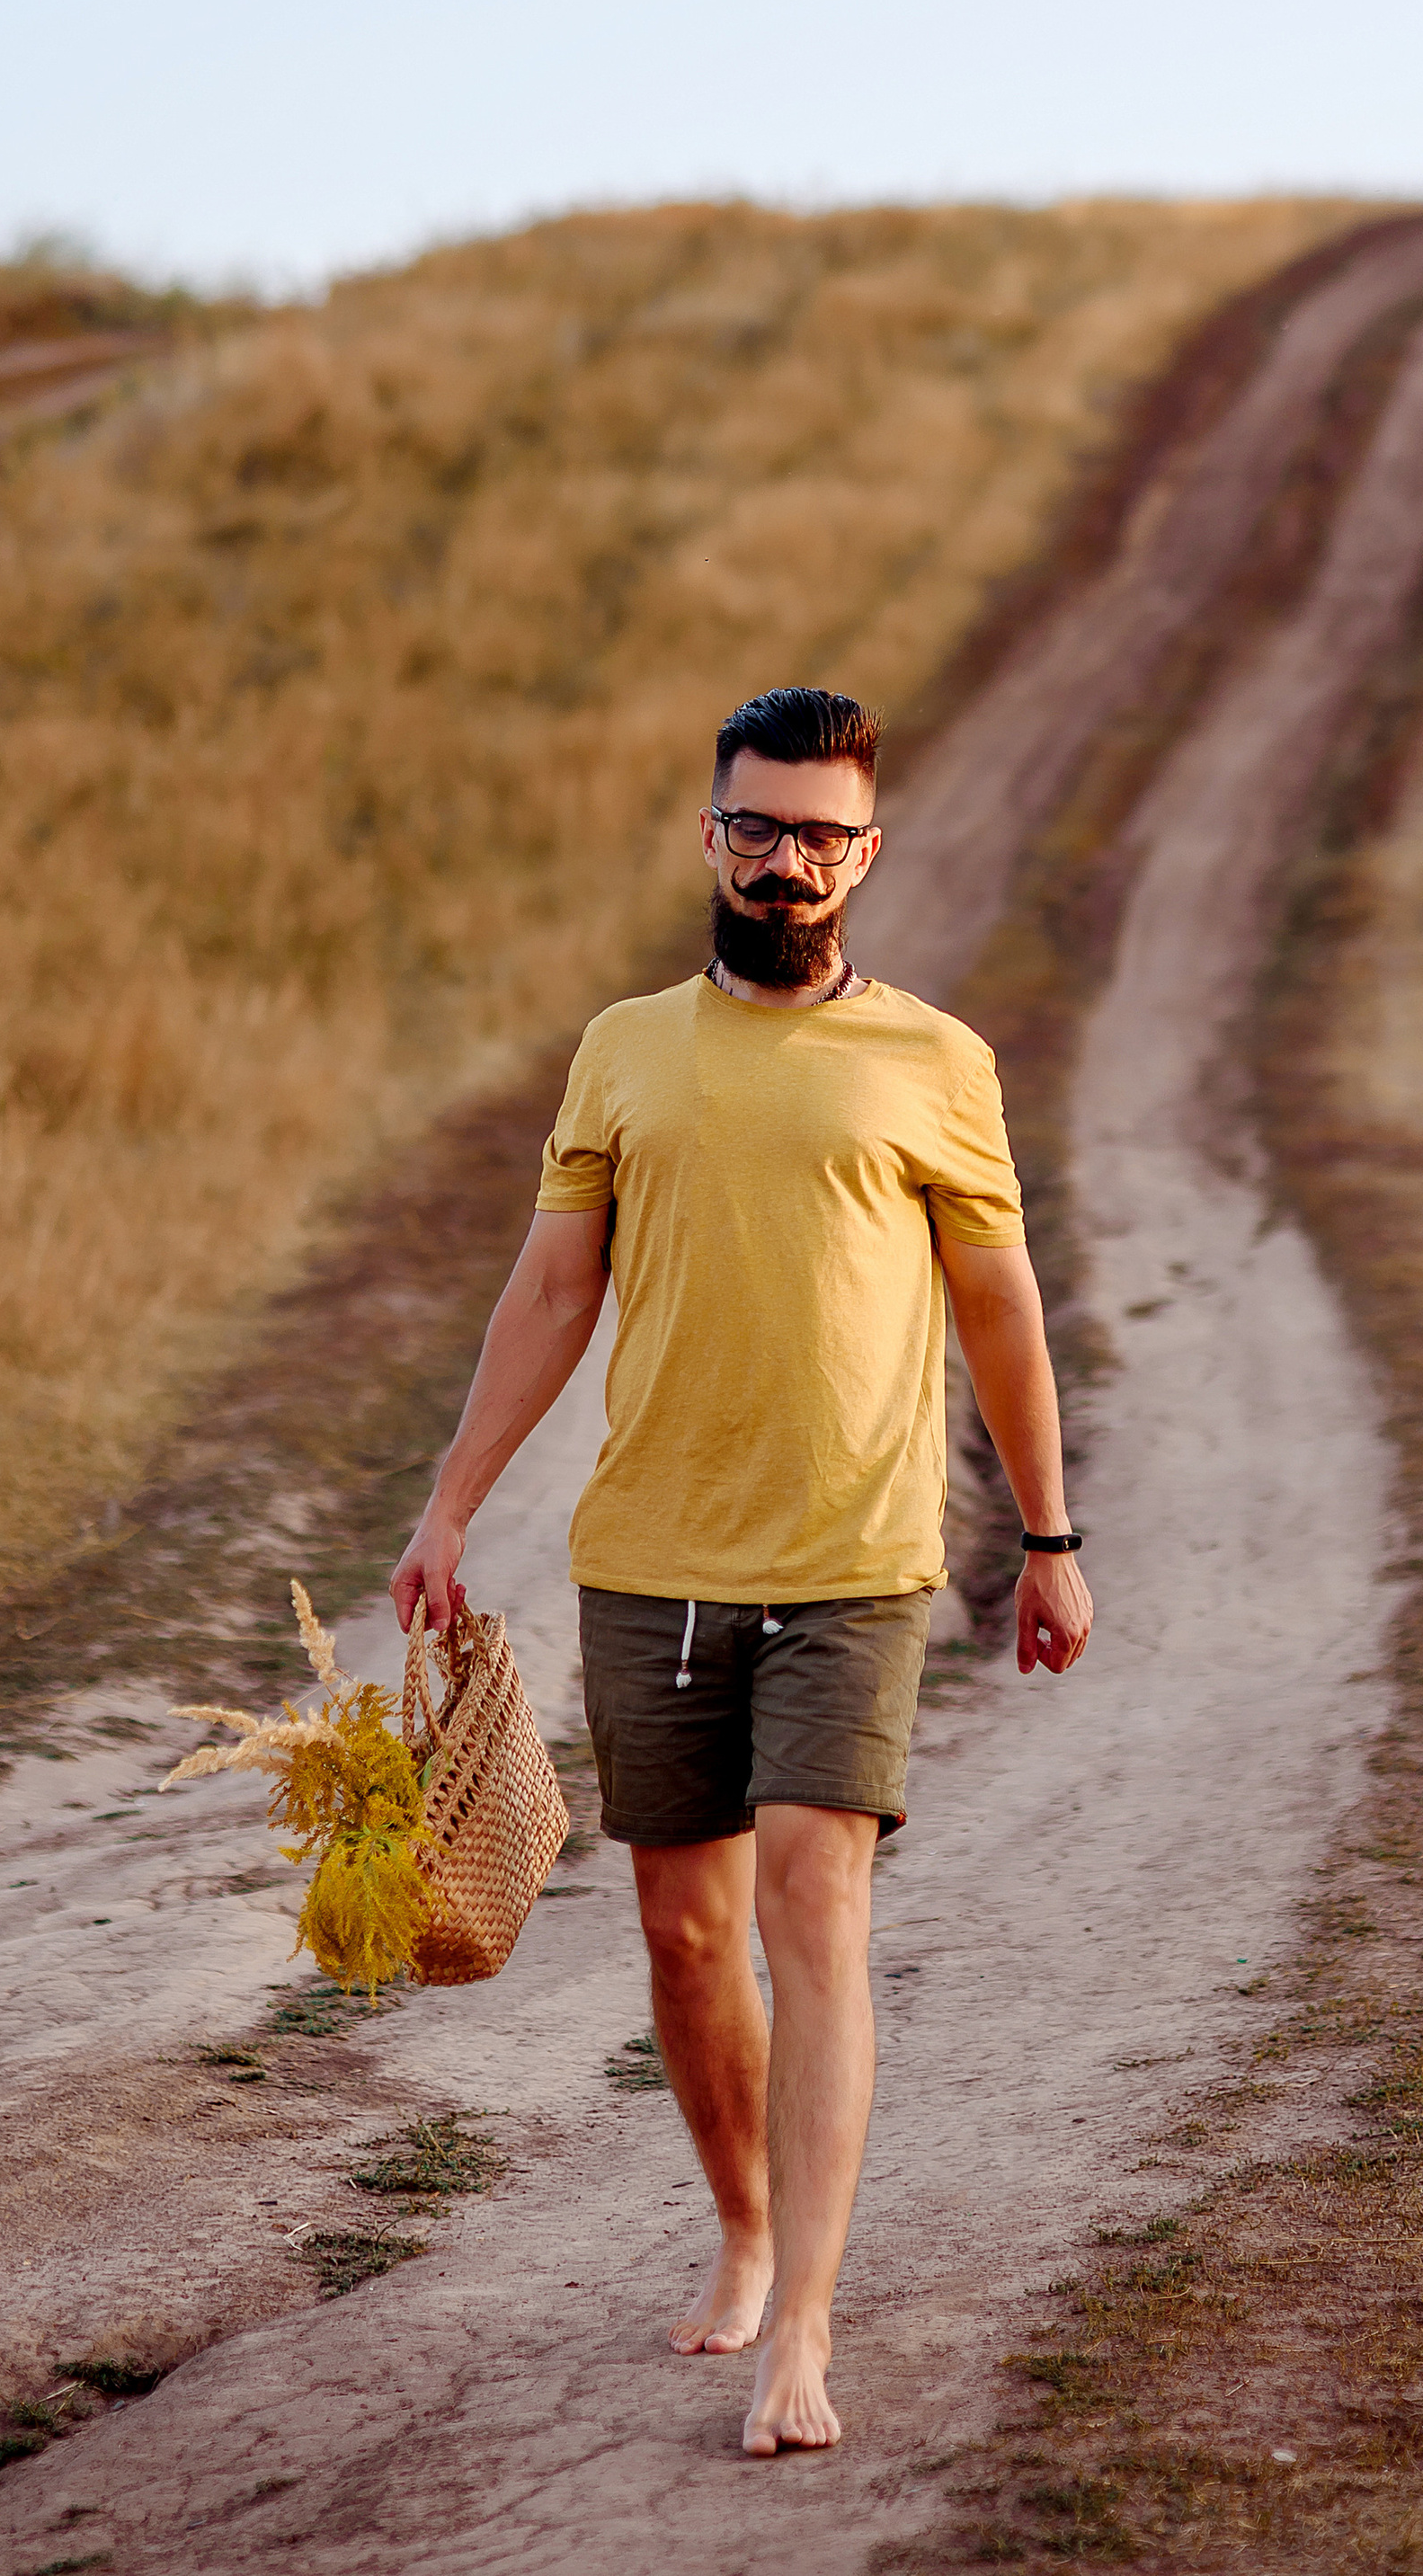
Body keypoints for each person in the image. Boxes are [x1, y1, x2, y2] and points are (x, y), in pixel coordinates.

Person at [389, 683, 1092, 2457]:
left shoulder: (936, 1063)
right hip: (650, 1558)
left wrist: (1049, 1535)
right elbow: (554, 1289)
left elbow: (1000, 1309)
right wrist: (450, 1504)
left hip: (854, 1558)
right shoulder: (623, 1052)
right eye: (757, 827)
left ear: (867, 853)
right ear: (711, 837)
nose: (787, 861)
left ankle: (807, 2330)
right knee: (685, 1933)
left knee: (810, 1903)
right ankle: (745, 2227)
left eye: (819, 835)